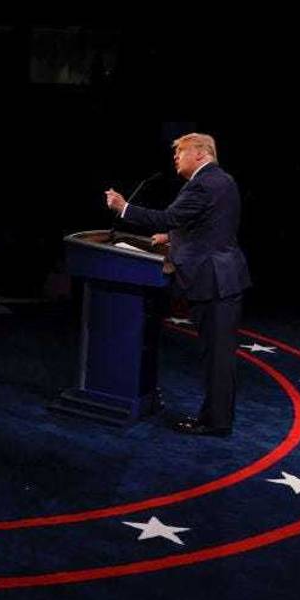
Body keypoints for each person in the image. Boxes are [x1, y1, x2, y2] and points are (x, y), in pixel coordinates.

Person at [105, 133, 251, 437]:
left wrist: (124, 208)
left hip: (214, 281)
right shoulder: (221, 181)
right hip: (222, 277)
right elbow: (211, 225)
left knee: (217, 357)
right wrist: (173, 237)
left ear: (199, 153)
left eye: (180, 152)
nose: (176, 158)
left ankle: (214, 422)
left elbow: (168, 216)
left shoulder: (202, 183)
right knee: (217, 355)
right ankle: (216, 418)